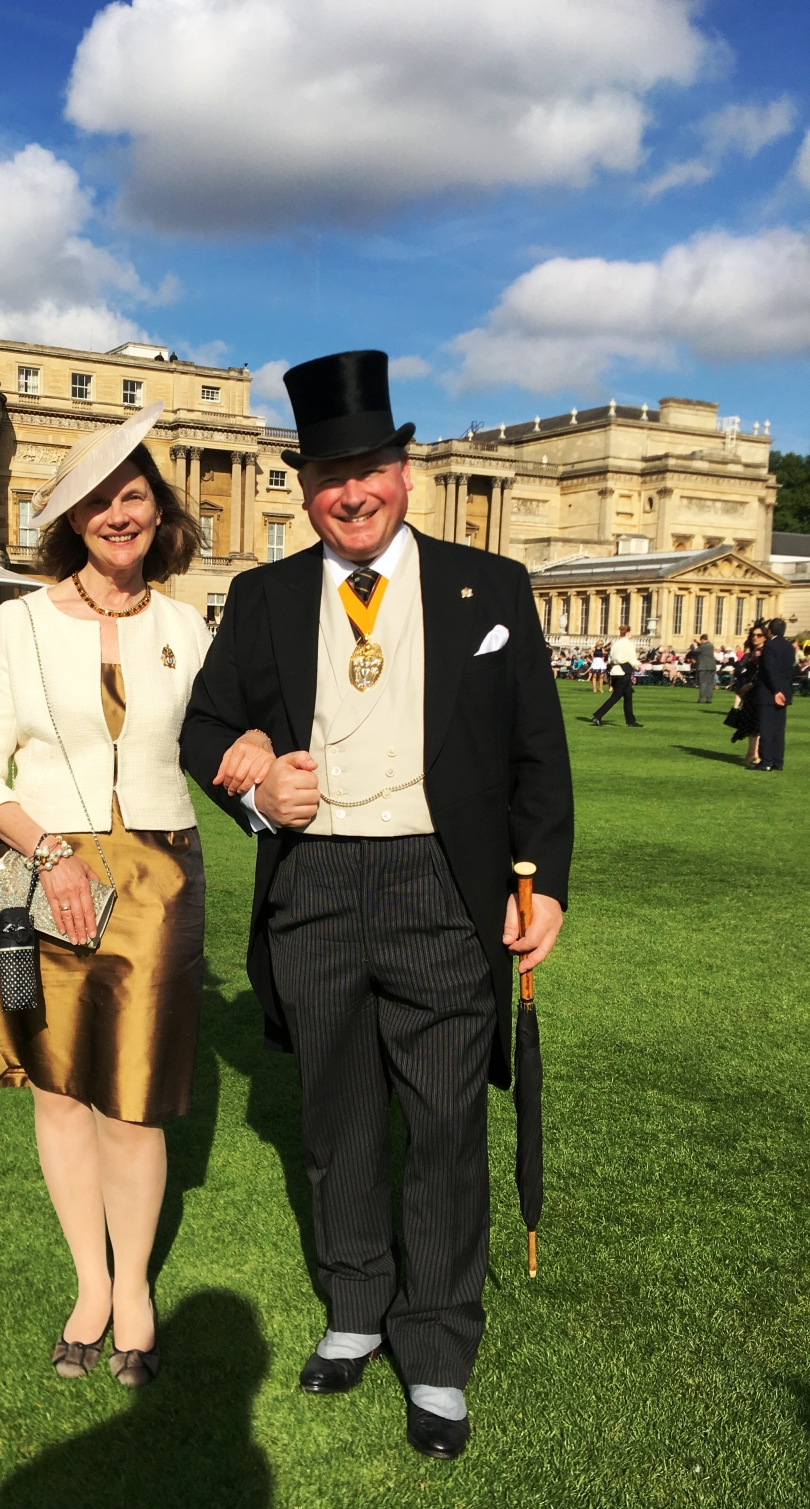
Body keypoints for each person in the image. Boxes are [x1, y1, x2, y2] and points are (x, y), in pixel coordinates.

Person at [180, 352, 573, 1461]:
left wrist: (548, 886)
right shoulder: (260, 598)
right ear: (304, 488)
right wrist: (254, 780)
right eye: (328, 475)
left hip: (441, 887)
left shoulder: (489, 589)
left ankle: (438, 1351)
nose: (352, 492)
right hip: (311, 887)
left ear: (405, 469)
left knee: (446, 1124)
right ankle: (356, 1309)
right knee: (339, 1115)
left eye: (371, 468)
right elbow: (203, 731)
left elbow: (539, 753)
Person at [0, 403, 269, 1392]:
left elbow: (225, 744)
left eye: (133, 496)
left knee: (132, 1110)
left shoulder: (188, 625)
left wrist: (254, 751)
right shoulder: (16, 622)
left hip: (158, 880)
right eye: (98, 500)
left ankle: (133, 1290)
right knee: (58, 1095)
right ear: (73, 520)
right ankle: (88, 1286)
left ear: (158, 511)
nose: (118, 515)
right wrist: (53, 855)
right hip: (40, 875)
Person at [753, 617, 796, 772]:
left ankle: (766, 761)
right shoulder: (790, 647)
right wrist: (783, 690)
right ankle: (778, 761)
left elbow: (770, 670)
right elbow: (789, 671)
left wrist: (776, 691)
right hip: (784, 691)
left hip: (770, 692)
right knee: (778, 729)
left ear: (769, 631)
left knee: (766, 728)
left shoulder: (770, 646)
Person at [728, 623, 768, 766]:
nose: (755, 638)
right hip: (750, 692)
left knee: (756, 725)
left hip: (757, 690)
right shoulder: (753, 652)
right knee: (751, 725)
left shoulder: (764, 652)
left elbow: (762, 672)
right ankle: (753, 754)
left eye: (759, 635)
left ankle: (752, 754)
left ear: (765, 637)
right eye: (753, 635)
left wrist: (750, 685)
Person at [591, 629, 642, 726]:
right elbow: (632, 658)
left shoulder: (616, 644)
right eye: (631, 632)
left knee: (628, 695)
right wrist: (638, 665)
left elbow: (610, 658)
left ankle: (631, 721)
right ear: (627, 633)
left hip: (615, 670)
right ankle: (597, 716)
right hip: (624, 670)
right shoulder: (629, 644)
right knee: (615, 696)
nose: (632, 634)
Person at [692, 633, 716, 702]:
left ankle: (701, 699)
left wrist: (692, 644)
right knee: (710, 683)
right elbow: (702, 647)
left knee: (703, 683)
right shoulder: (711, 645)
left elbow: (695, 651)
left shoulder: (702, 647)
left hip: (703, 667)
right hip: (711, 666)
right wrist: (697, 642)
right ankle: (709, 699)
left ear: (702, 639)